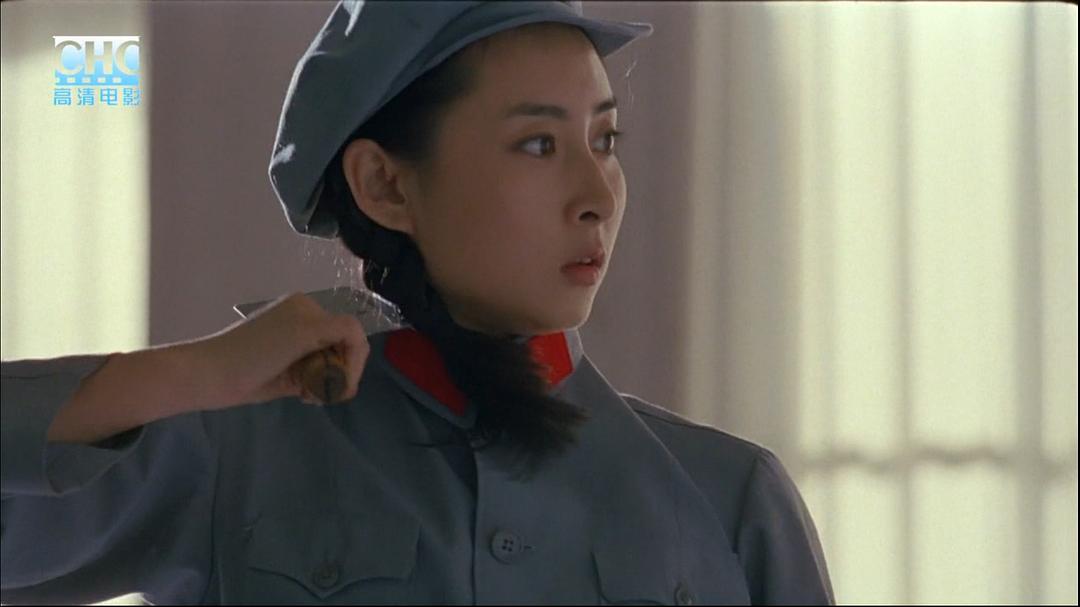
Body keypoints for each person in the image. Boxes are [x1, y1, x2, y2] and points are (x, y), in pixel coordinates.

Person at [1, 1, 835, 604]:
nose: (597, 195)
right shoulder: (231, 454)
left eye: (605, 139)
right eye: (538, 143)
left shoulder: (729, 499)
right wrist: (191, 373)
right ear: (386, 184)